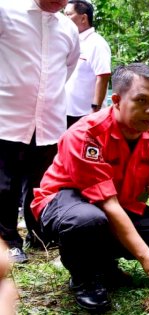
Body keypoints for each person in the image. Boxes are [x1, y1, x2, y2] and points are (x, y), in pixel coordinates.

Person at [31, 63, 149, 312]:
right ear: (117, 100)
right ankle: (84, 279)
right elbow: (106, 203)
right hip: (65, 201)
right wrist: (143, 255)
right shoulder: (86, 134)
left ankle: (103, 262)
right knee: (87, 221)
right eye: (141, 100)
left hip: (116, 204)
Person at [0, 0, 79, 264]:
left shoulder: (68, 29)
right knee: (4, 184)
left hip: (48, 120)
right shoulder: (6, 11)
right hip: (7, 116)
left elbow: (67, 68)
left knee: (41, 182)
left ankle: (39, 233)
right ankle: (9, 240)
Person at [64, 0, 111, 127]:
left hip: (85, 114)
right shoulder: (71, 40)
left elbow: (103, 76)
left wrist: (95, 110)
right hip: (65, 111)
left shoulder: (97, 43)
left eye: (68, 14)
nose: (65, 18)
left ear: (83, 18)